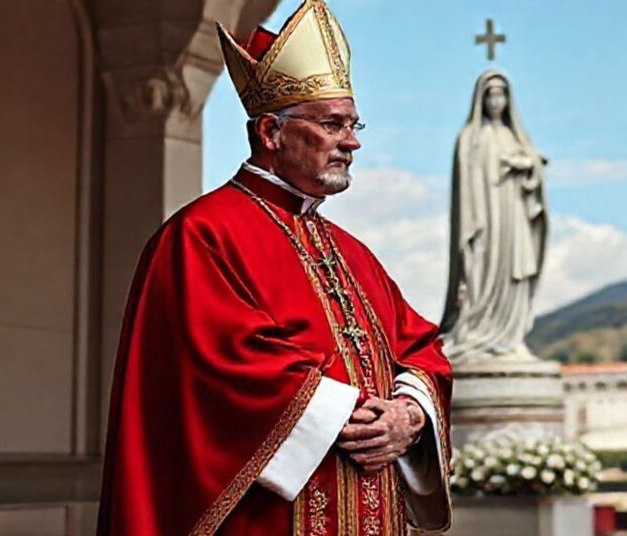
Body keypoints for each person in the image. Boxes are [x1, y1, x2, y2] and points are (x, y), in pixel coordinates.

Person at [95, 1, 451, 534]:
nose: (351, 142)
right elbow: (218, 368)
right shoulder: (200, 236)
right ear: (270, 133)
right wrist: (351, 412)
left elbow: (420, 346)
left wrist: (409, 414)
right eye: (333, 124)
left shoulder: (353, 252)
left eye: (354, 125)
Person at [440, 70, 548, 362]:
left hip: (513, 218)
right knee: (482, 275)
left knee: (514, 274)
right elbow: (466, 186)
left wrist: (528, 166)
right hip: (483, 221)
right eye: (491, 94)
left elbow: (535, 177)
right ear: (481, 98)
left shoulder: (517, 138)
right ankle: (479, 331)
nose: (496, 100)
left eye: (501, 94)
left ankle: (510, 337)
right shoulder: (471, 139)